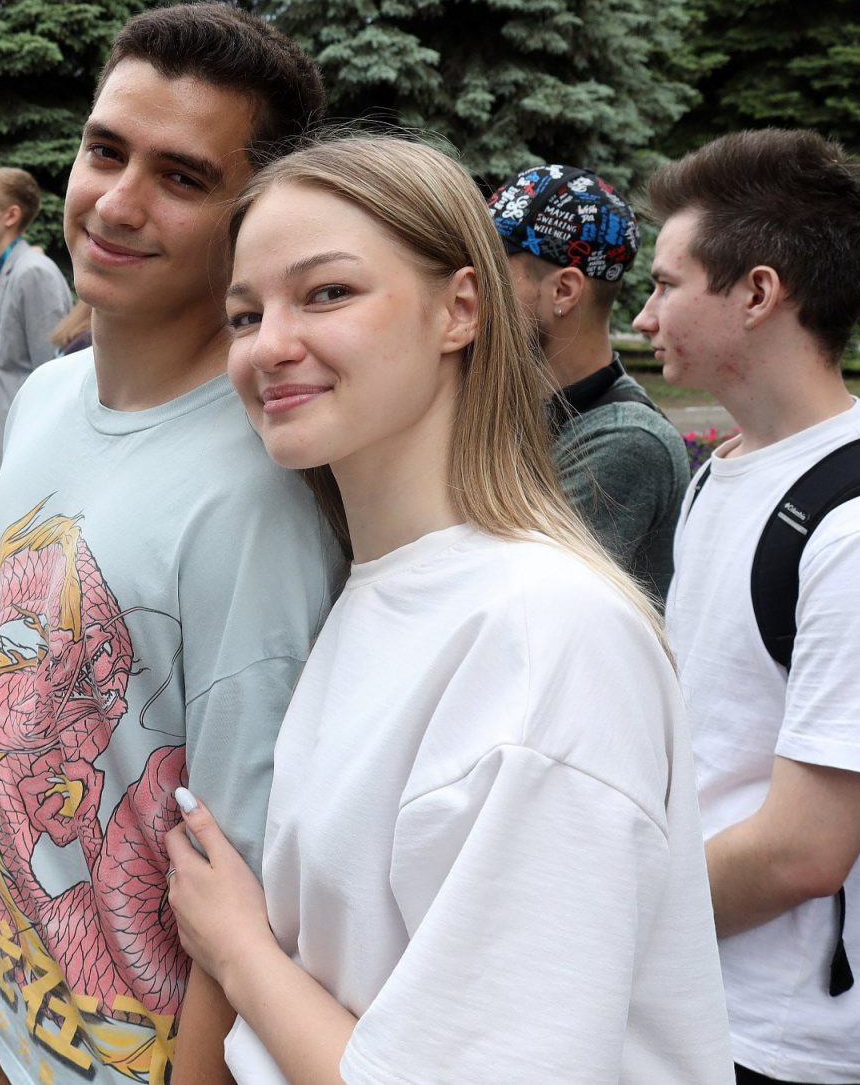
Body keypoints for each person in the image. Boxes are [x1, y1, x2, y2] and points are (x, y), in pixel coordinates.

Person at [164, 135, 729, 1085]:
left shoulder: (549, 638)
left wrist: (237, 948)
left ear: (461, 308)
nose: (270, 345)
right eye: (245, 313)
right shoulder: (387, 586)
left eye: (327, 292)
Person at [0, 3, 343, 1084]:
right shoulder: (46, 399)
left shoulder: (258, 490)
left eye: (181, 177)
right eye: (104, 151)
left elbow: (240, 867)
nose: (118, 202)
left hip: (125, 1056)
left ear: (254, 215)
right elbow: (5, 713)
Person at [634, 130, 860, 1085]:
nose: (643, 314)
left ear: (757, 292)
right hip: (685, 996)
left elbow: (803, 852)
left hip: (782, 1041)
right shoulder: (727, 469)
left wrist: (601, 914)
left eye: (666, 284)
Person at [487, 165, 692, 602]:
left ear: (564, 291)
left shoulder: (626, 442)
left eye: (493, 275)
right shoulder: (528, 410)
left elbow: (506, 596)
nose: (473, 294)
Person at [0, 166, 74, 468]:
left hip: (32, 450)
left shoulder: (33, 272)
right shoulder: (7, 270)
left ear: (11, 216)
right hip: (12, 442)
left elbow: (52, 373)